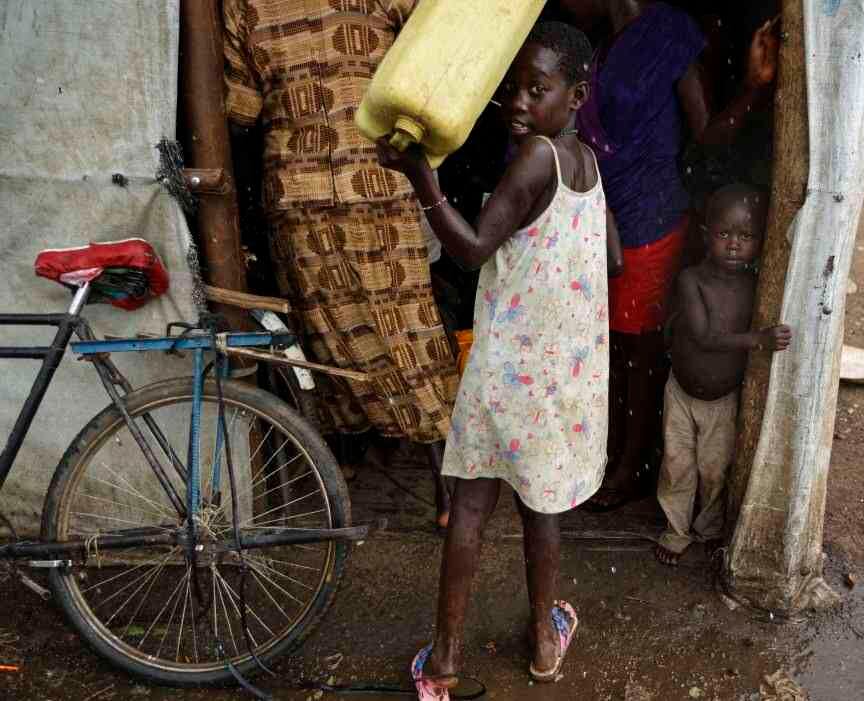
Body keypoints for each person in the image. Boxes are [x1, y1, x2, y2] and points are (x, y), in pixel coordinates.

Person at [375, 21, 622, 699]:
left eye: (536, 90)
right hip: (559, 380)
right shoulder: (586, 162)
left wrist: (424, 180)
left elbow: (473, 249)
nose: (517, 102)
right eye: (512, 88)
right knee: (542, 511)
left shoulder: (535, 158)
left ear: (576, 96)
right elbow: (613, 258)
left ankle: (444, 662)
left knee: (472, 508)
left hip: (507, 373)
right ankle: (543, 645)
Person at [221, 0, 458, 527]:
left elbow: (240, 112)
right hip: (380, 181)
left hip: (300, 193)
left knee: (328, 334)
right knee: (408, 333)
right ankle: (444, 487)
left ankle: (347, 461)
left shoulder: (244, 5)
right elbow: (439, 59)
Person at [556, 0, 780, 511]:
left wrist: (753, 86)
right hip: (603, 219)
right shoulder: (602, 44)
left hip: (650, 219)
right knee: (612, 348)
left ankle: (632, 467)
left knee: (640, 355)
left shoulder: (670, 32)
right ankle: (610, 453)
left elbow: (707, 137)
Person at [654, 184, 790, 566]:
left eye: (746, 236)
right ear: (705, 235)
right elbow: (703, 336)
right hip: (681, 393)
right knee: (676, 465)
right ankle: (675, 530)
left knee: (715, 469)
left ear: (761, 242)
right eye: (724, 234)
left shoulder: (758, 287)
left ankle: (708, 527)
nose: (734, 245)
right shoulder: (692, 281)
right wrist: (758, 340)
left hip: (723, 399)